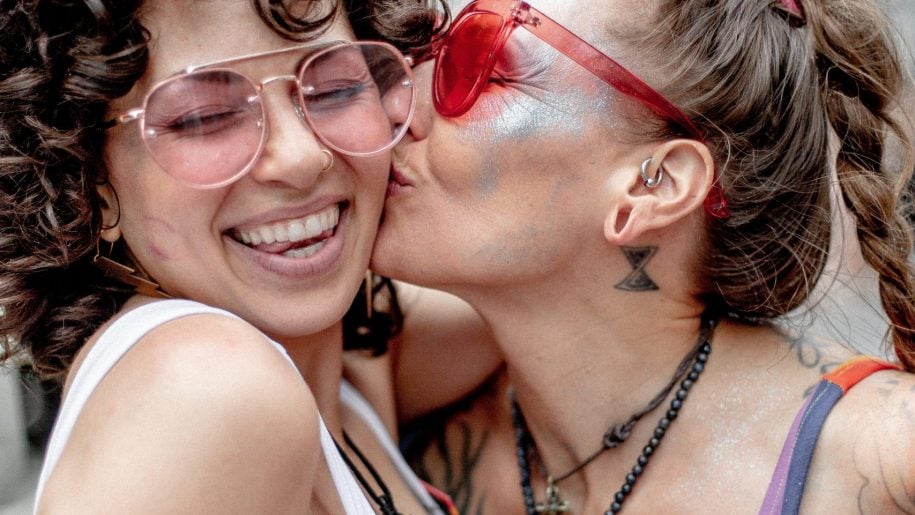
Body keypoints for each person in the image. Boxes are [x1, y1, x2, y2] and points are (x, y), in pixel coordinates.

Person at [372, 0, 915, 513]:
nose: (398, 103)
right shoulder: (376, 397)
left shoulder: (881, 454)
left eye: (482, 64)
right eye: (427, 55)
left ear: (654, 185)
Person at [0, 0, 461, 512]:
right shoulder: (208, 388)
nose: (301, 157)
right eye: (206, 118)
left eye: (335, 89)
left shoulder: (349, 372)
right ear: (90, 186)